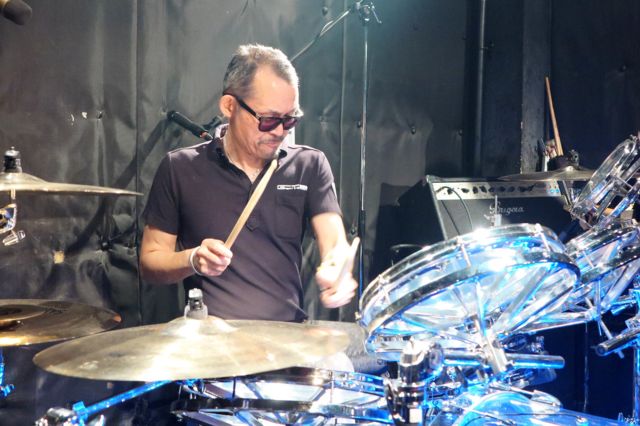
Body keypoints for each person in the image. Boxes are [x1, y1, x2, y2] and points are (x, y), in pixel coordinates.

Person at [140, 44, 358, 322]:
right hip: (211, 341)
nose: (280, 131)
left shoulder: (309, 165)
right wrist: (192, 259)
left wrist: (337, 268)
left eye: (290, 119)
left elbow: (334, 240)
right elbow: (151, 260)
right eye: (268, 120)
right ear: (229, 106)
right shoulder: (180, 168)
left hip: (288, 338)